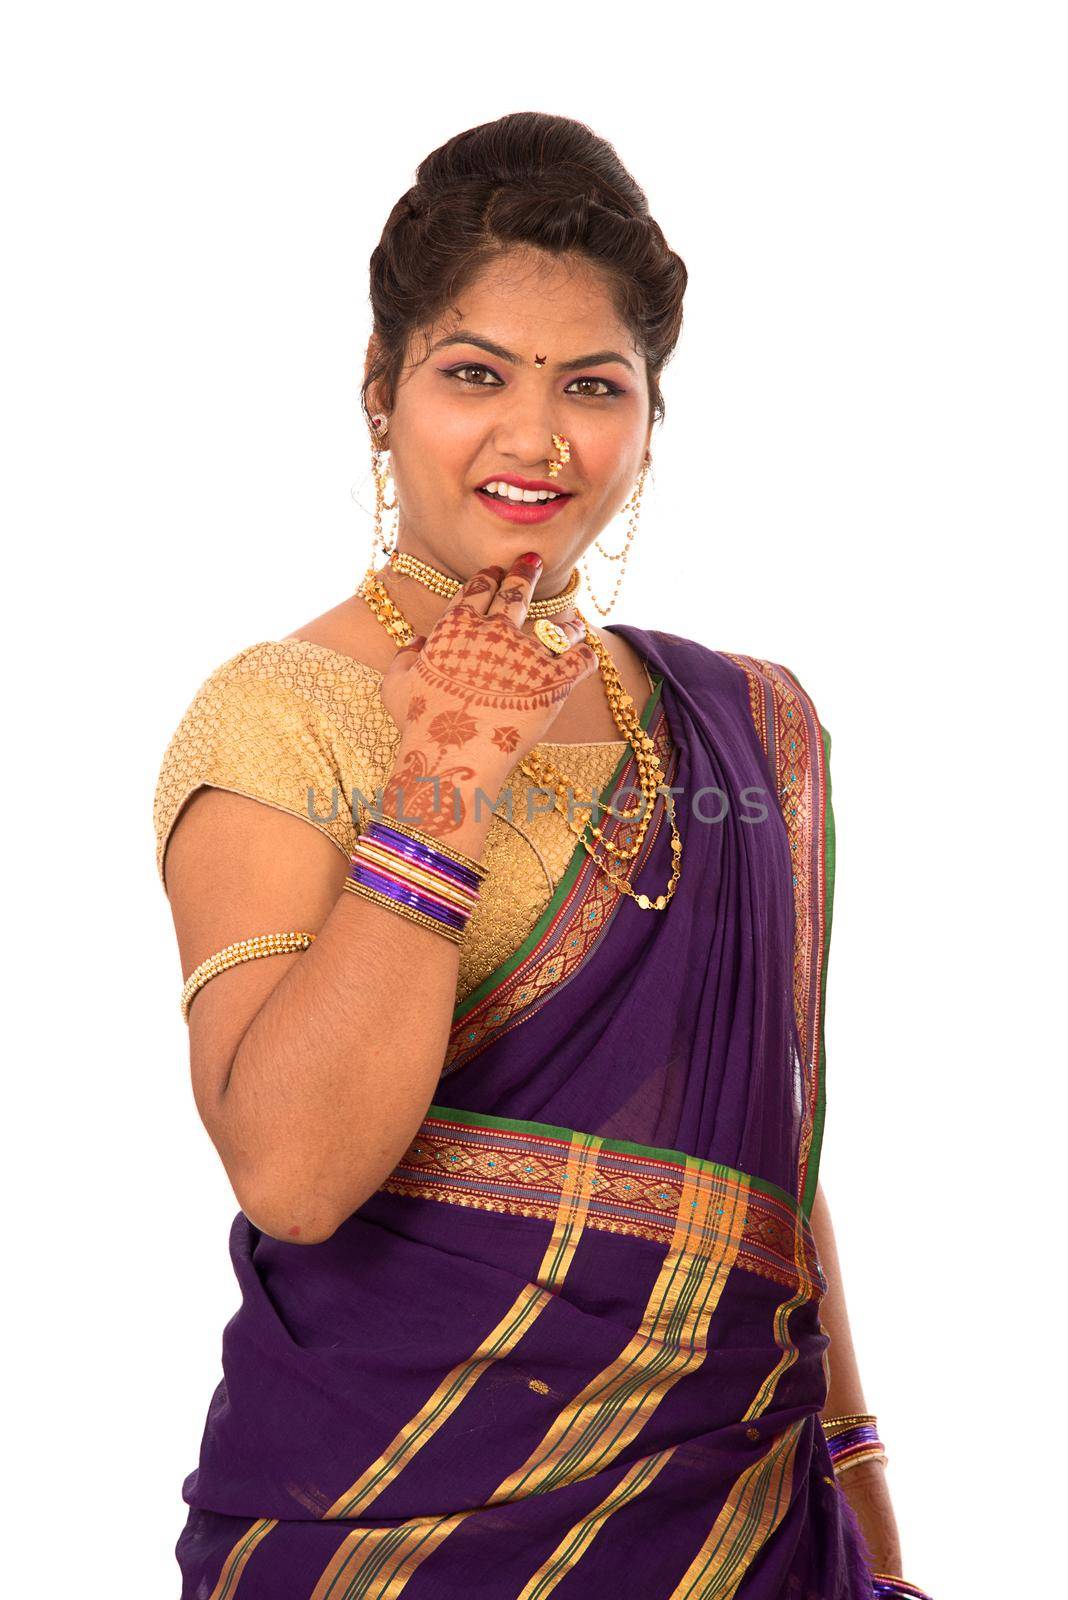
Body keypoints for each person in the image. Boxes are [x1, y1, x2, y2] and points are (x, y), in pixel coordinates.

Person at [153, 111, 931, 1600]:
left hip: (741, 1545)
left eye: (594, 385)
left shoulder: (744, 725)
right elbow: (294, 1173)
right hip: (384, 1532)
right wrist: (444, 774)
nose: (536, 438)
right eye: (473, 375)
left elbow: (762, 1181)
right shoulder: (283, 714)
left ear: (647, 417)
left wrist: (864, 1505)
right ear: (379, 395)